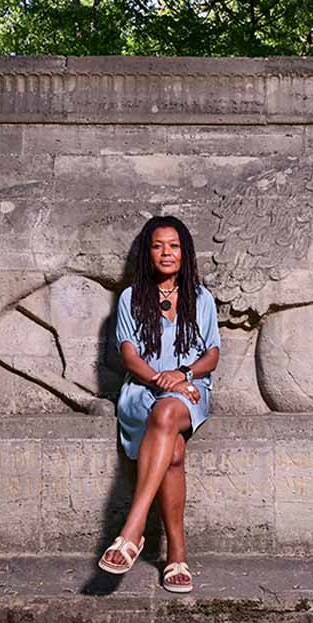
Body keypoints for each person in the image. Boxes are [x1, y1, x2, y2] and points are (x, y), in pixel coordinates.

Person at [98, 215, 221, 594]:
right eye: (158, 246)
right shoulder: (132, 297)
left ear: (184, 253)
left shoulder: (201, 298)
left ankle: (132, 531)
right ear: (148, 253)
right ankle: (177, 557)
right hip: (141, 390)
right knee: (175, 450)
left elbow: (212, 354)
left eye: (174, 246)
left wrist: (182, 375)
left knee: (168, 410)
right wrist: (159, 379)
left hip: (189, 391)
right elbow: (129, 355)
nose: (166, 253)